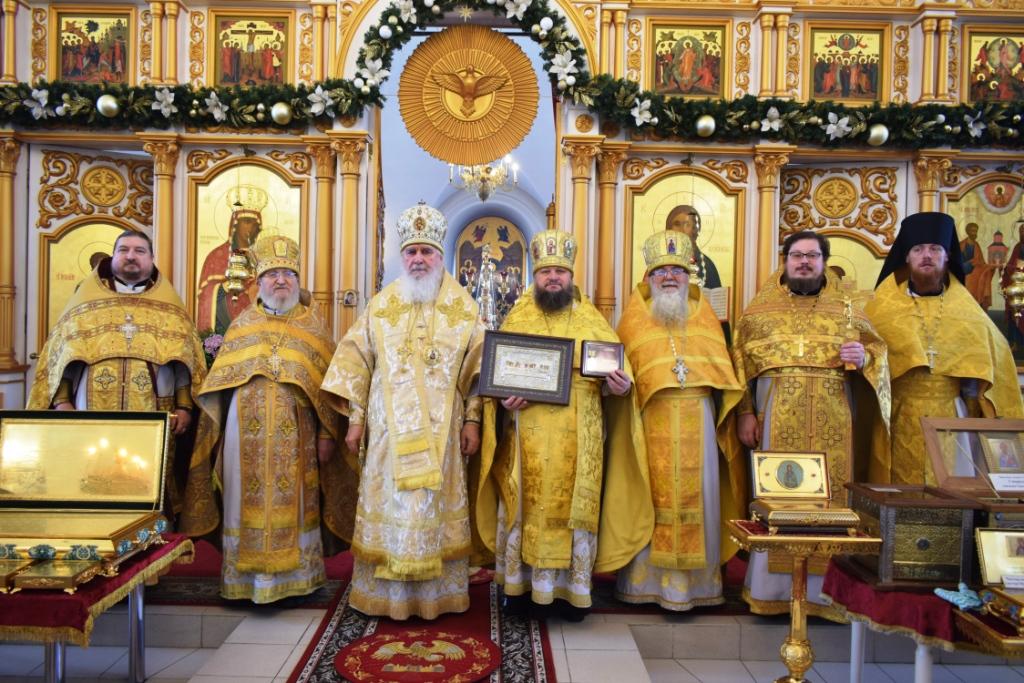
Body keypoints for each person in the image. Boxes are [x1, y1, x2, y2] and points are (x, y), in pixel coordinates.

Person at [320, 202, 485, 620]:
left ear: (440, 256)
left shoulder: (463, 308)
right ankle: (387, 595)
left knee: (431, 504)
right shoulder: (381, 305)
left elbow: (479, 371)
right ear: (402, 256)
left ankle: (435, 596)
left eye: (426, 251)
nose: (418, 259)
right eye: (411, 251)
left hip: (443, 434)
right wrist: (356, 421)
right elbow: (357, 361)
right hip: (387, 435)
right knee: (393, 505)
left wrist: (473, 420)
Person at [476, 229, 651, 621]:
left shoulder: (593, 320)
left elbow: (618, 378)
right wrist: (504, 400)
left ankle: (571, 594)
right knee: (525, 509)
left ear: (571, 276)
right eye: (545, 272)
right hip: (527, 434)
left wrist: (620, 388)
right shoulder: (518, 317)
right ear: (534, 276)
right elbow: (497, 379)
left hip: (580, 434)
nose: (553, 278)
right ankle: (519, 591)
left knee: (573, 512)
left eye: (560, 272)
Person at [731, 230, 891, 616]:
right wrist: (745, 412)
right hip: (777, 416)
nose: (804, 262)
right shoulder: (758, 313)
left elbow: (877, 352)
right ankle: (771, 593)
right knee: (777, 497)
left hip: (835, 419)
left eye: (812, 256)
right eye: (797, 255)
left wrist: (865, 358)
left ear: (824, 262)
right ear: (785, 261)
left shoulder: (849, 309)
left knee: (831, 499)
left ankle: (826, 596)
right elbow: (739, 365)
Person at [181, 235, 345, 603]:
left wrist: (327, 435)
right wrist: (214, 435)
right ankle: (246, 582)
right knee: (242, 499)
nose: (281, 280)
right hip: (243, 436)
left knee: (297, 500)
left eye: (288, 273)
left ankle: (297, 580)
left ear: (298, 281)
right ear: (259, 281)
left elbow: (329, 389)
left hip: (299, 435)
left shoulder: (314, 328)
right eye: (273, 274)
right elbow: (218, 386)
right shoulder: (243, 325)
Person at [28, 229, 206, 511]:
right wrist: (62, 403)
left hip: (154, 410)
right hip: (90, 409)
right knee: (91, 476)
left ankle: (149, 531)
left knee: (150, 479)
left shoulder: (169, 305)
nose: (131, 256)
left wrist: (184, 407)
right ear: (113, 256)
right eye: (123, 250)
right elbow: (63, 358)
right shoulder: (85, 302)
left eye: (139, 251)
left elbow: (184, 362)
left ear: (151, 259)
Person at [613, 230, 744, 611]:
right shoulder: (632, 320)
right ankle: (645, 584)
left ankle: (697, 587)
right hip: (649, 419)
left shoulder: (706, 316)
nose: (669, 277)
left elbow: (726, 376)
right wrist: (620, 387)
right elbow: (620, 373)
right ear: (649, 277)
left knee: (698, 495)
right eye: (661, 270)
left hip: (698, 417)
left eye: (677, 270)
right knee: (650, 496)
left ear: (689, 275)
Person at [866, 212, 1023, 485]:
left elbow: (997, 366)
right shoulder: (881, 309)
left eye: (935, 249)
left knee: (950, 487)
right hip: (898, 415)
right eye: (918, 249)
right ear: (906, 256)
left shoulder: (969, 312)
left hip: (952, 417)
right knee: (899, 489)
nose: (926, 255)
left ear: (947, 255)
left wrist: (976, 389)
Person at [196, 186, 266, 336]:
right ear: (235, 224)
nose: (251, 228)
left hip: (257, 328)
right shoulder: (217, 256)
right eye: (247, 221)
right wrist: (226, 286)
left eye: (255, 224)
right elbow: (205, 296)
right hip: (225, 327)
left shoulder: (264, 256)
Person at [665, 205, 721, 289]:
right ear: (669, 228)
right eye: (677, 224)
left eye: (687, 224)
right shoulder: (658, 262)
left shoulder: (707, 265)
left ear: (695, 229)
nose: (682, 230)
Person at [960, 222, 996, 309]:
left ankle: (979, 303)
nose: (974, 233)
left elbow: (981, 262)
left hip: (975, 270)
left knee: (985, 273)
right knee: (976, 276)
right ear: (968, 231)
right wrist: (971, 263)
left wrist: (990, 266)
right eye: (972, 231)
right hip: (964, 270)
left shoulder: (976, 245)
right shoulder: (961, 245)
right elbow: (958, 262)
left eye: (976, 231)